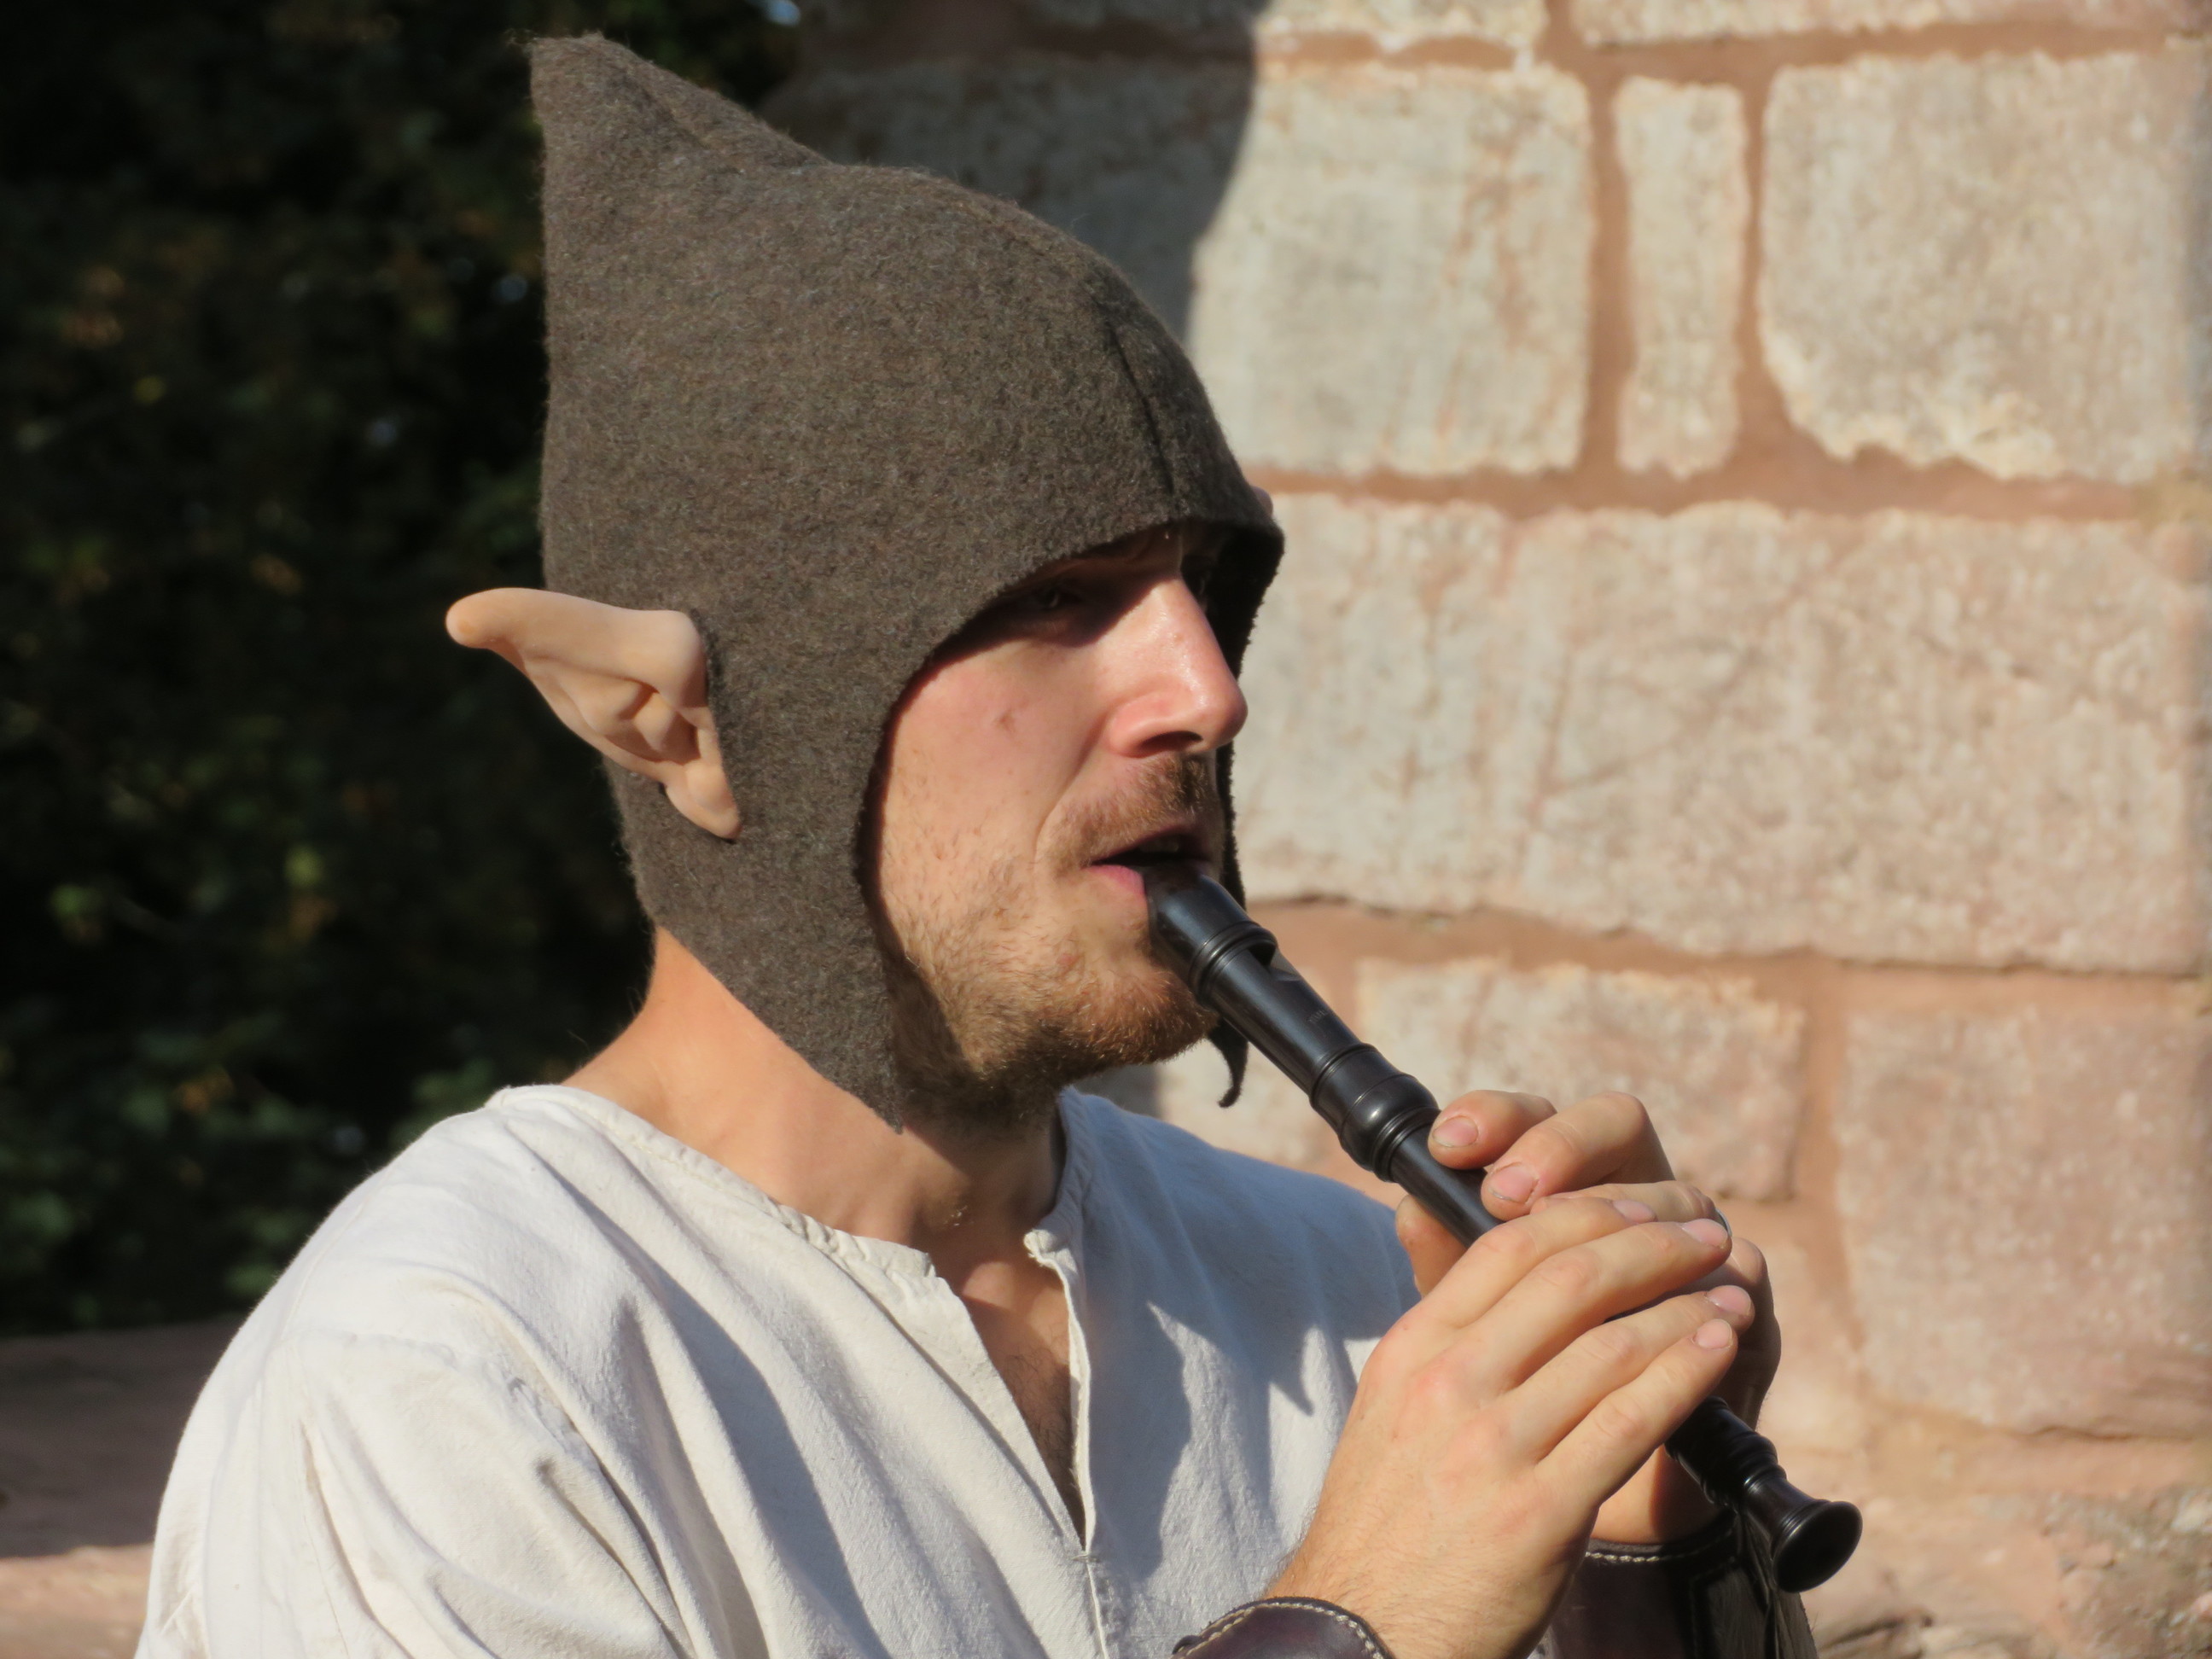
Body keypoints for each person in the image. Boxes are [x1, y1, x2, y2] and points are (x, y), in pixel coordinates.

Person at [138, 37, 1813, 1659]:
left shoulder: (1352, 1302)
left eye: (1200, 593)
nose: (1206, 692)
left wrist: (1644, 1570)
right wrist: (1355, 1626)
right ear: (665, 721)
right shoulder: (452, 1383)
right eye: (1056, 599)